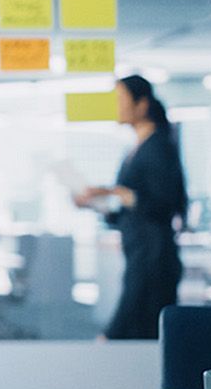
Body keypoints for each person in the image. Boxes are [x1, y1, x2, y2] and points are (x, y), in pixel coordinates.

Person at [74, 75, 188, 340]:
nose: (115, 106)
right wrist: (97, 204)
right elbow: (132, 212)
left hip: (154, 255)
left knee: (139, 326)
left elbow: (162, 203)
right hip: (139, 249)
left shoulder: (158, 145)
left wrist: (114, 191)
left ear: (141, 104)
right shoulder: (135, 148)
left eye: (120, 99)